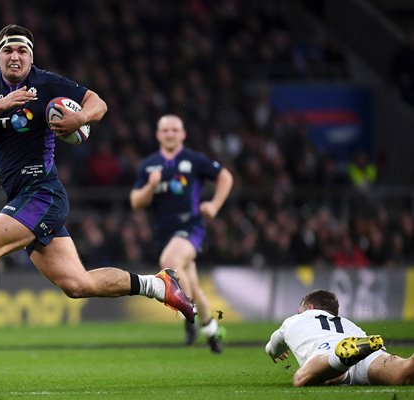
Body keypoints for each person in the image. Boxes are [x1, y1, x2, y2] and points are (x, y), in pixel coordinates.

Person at [0, 24, 195, 364]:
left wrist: (80, 119)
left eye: (22, 51)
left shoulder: (47, 83)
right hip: (22, 195)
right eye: (8, 50)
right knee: (78, 285)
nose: (15, 56)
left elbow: (98, 103)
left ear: (31, 57)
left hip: (42, 192)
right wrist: (3, 104)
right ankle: (159, 286)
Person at [129, 114, 233, 352]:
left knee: (170, 262)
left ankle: (189, 311)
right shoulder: (149, 165)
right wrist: (150, 186)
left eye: (175, 130)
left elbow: (225, 177)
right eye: (165, 130)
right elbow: (136, 202)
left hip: (191, 227)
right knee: (192, 284)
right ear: (158, 134)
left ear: (183, 134)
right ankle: (212, 330)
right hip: (164, 233)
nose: (170, 134)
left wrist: (215, 205)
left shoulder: (194, 160)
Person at [265, 289, 414, 386]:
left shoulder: (293, 320)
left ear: (309, 308)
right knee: (404, 374)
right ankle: (342, 362)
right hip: (365, 348)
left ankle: (339, 359)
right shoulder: (348, 323)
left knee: (301, 379)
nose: (298, 313)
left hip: (330, 349)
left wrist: (274, 352)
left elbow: (272, 347)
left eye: (300, 310)